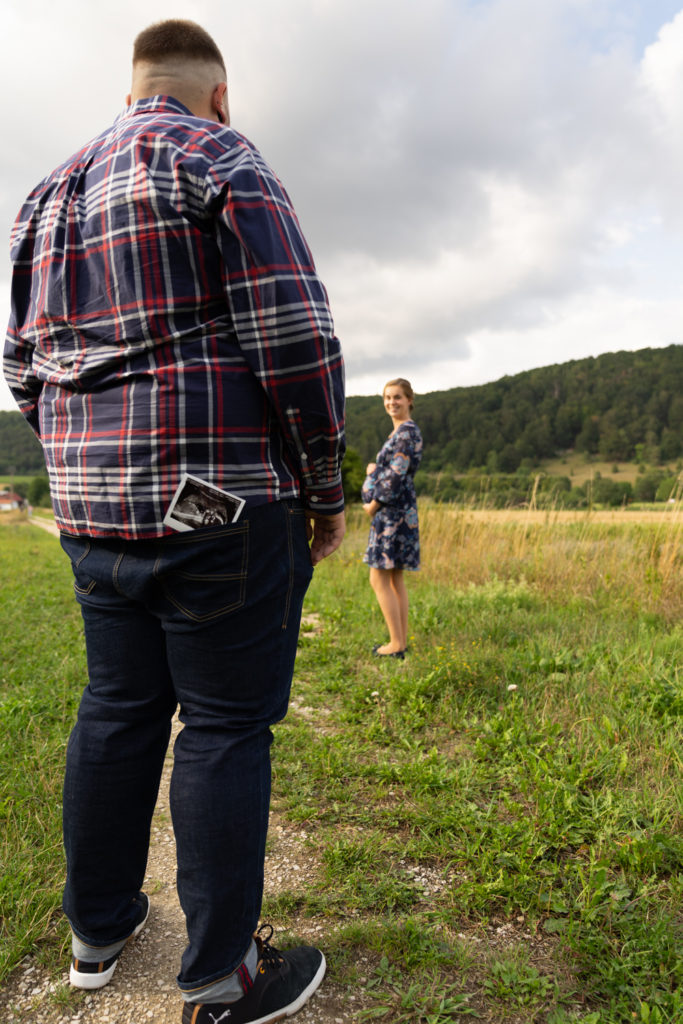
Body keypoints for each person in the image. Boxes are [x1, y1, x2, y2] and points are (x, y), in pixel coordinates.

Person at [4, 19, 345, 1024]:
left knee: (116, 706)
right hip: (223, 506)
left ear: (132, 84)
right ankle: (220, 978)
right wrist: (324, 484)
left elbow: (22, 367)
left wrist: (80, 455)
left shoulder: (42, 195)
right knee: (226, 724)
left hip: (92, 513)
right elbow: (292, 332)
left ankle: (97, 930)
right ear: (220, 92)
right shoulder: (220, 153)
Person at [362, 379, 422, 659]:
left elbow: (395, 475)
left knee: (379, 578)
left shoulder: (406, 433)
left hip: (391, 512)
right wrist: (376, 469)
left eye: (397, 397)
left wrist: (373, 503)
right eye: (387, 398)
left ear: (409, 399)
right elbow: (392, 471)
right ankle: (399, 642)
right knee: (394, 577)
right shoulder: (399, 433)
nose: (391, 403)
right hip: (398, 510)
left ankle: (397, 644)